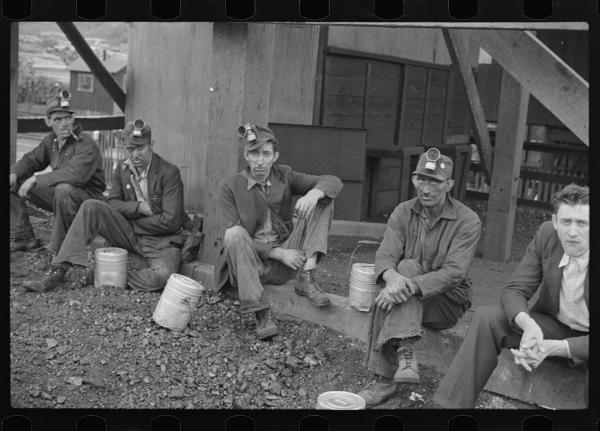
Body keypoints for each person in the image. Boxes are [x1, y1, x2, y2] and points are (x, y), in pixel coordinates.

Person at [434, 183, 589, 408]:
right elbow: (515, 289)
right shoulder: (548, 234)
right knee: (488, 318)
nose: (572, 232)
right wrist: (528, 325)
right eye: (566, 222)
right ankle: (451, 407)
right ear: (556, 222)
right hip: (556, 326)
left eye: (582, 223)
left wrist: (553, 348)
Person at [356, 147, 482, 408]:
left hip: (447, 301)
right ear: (414, 180)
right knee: (396, 282)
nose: (427, 188)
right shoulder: (403, 212)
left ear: (449, 185)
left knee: (399, 284)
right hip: (409, 295)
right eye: (421, 179)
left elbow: (454, 273)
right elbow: (385, 255)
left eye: (435, 181)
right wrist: (392, 278)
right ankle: (406, 355)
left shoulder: (467, 221)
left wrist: (407, 285)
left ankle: (383, 381)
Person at [23, 119, 185, 293]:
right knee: (91, 206)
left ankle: (100, 275)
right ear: (124, 146)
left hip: (160, 242)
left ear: (151, 144)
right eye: (130, 149)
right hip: (130, 234)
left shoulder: (169, 172)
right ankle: (58, 271)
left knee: (162, 276)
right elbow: (112, 203)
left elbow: (171, 221)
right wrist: (139, 207)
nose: (135, 155)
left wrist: (131, 222)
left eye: (141, 148)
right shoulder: (123, 169)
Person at [214, 123, 343, 340]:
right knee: (234, 234)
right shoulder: (230, 186)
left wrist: (313, 195)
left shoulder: (285, 175)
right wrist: (278, 253)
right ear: (246, 155)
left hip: (287, 263)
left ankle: (306, 276)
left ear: (275, 156)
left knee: (325, 199)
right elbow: (232, 240)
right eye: (254, 154)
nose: (260, 161)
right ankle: (260, 312)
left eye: (266, 154)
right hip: (251, 266)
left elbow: (333, 181)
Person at [10, 89, 105, 253]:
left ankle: (59, 251)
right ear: (48, 122)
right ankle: (24, 238)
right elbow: (31, 160)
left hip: (89, 201)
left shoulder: (86, 144)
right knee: (14, 183)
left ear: (73, 118)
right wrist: (14, 174)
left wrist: (35, 179)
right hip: (63, 199)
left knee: (64, 188)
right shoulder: (51, 141)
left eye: (68, 118)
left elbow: (76, 175)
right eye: (58, 119)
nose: (64, 123)